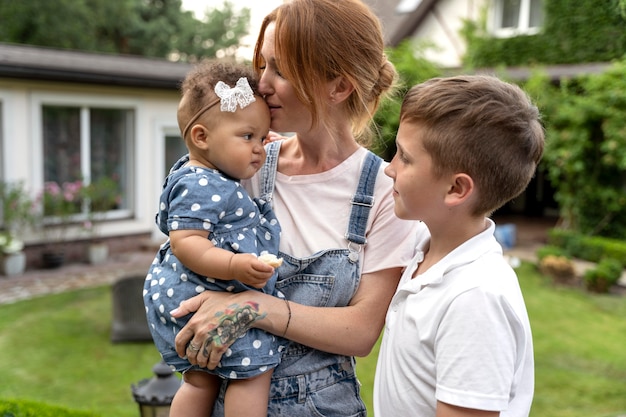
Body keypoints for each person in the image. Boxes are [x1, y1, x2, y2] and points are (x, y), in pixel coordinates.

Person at [169, 0, 419, 415]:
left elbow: (360, 332)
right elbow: (183, 235)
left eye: (280, 70)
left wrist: (254, 307)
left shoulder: (383, 190)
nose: (260, 84)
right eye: (262, 65)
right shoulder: (245, 164)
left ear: (338, 87)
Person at [374, 75, 544, 417]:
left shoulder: (475, 298)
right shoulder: (427, 249)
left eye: (405, 158)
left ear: (455, 190)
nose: (389, 168)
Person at [143, 60, 285, 417]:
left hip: (184, 291)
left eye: (263, 138)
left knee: (200, 379)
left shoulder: (204, 173)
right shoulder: (200, 183)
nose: (259, 149)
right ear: (202, 137)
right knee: (253, 368)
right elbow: (186, 242)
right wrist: (235, 264)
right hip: (194, 292)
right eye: (248, 136)